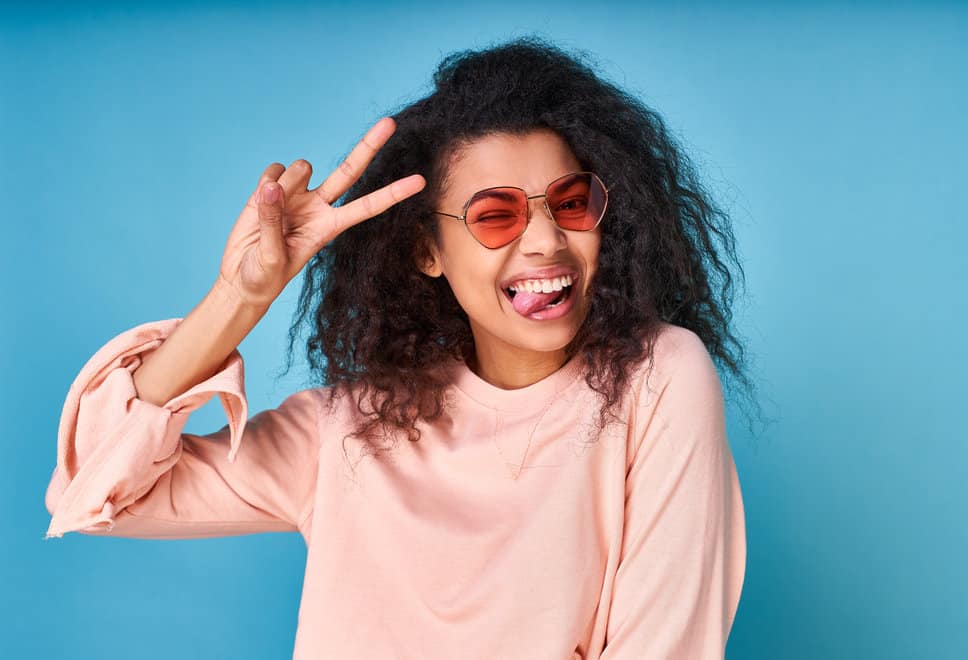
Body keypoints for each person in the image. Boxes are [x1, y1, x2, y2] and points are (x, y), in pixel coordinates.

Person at [43, 38, 750, 659]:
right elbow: (96, 492)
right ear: (426, 251)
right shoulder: (347, 429)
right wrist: (240, 298)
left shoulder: (658, 377)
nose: (545, 241)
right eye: (495, 215)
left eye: (569, 203)